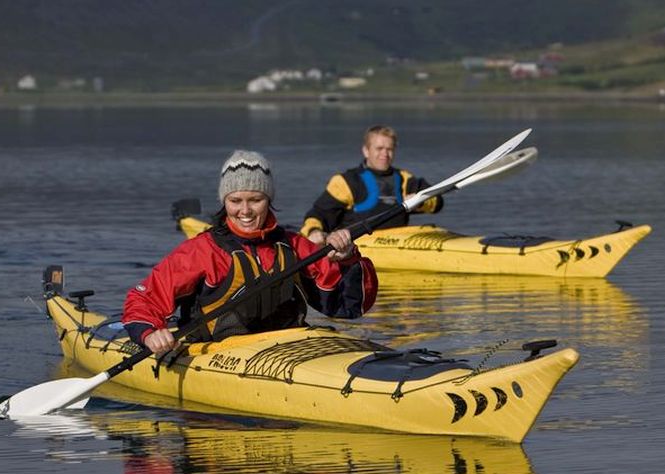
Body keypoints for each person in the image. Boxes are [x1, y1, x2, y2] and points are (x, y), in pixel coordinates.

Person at [123, 149, 378, 355]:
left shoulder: (295, 246)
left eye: (255, 200)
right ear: (225, 202)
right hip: (219, 356)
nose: (245, 211)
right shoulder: (203, 250)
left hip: (290, 350)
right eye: (235, 201)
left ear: (269, 199)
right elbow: (143, 300)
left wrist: (348, 260)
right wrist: (150, 333)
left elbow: (349, 307)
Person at [300, 124, 444, 246]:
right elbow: (318, 214)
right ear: (366, 150)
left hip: (398, 244)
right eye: (379, 148)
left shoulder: (405, 179)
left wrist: (419, 201)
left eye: (389, 149)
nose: (385, 154)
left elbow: (437, 202)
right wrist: (313, 232)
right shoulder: (345, 182)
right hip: (356, 246)